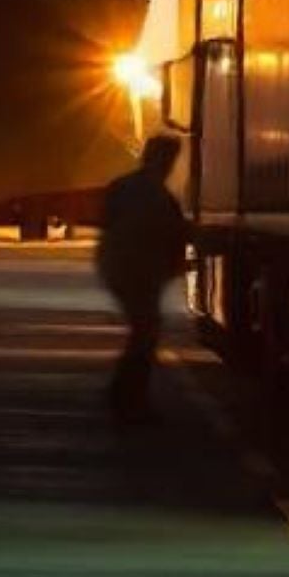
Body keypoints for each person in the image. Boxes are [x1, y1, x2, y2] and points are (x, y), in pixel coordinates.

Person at [96, 133, 187, 424]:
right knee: (145, 332)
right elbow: (173, 236)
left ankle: (126, 396)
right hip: (138, 271)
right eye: (170, 159)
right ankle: (127, 397)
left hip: (119, 268)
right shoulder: (160, 197)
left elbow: (107, 222)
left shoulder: (123, 186)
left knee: (144, 330)